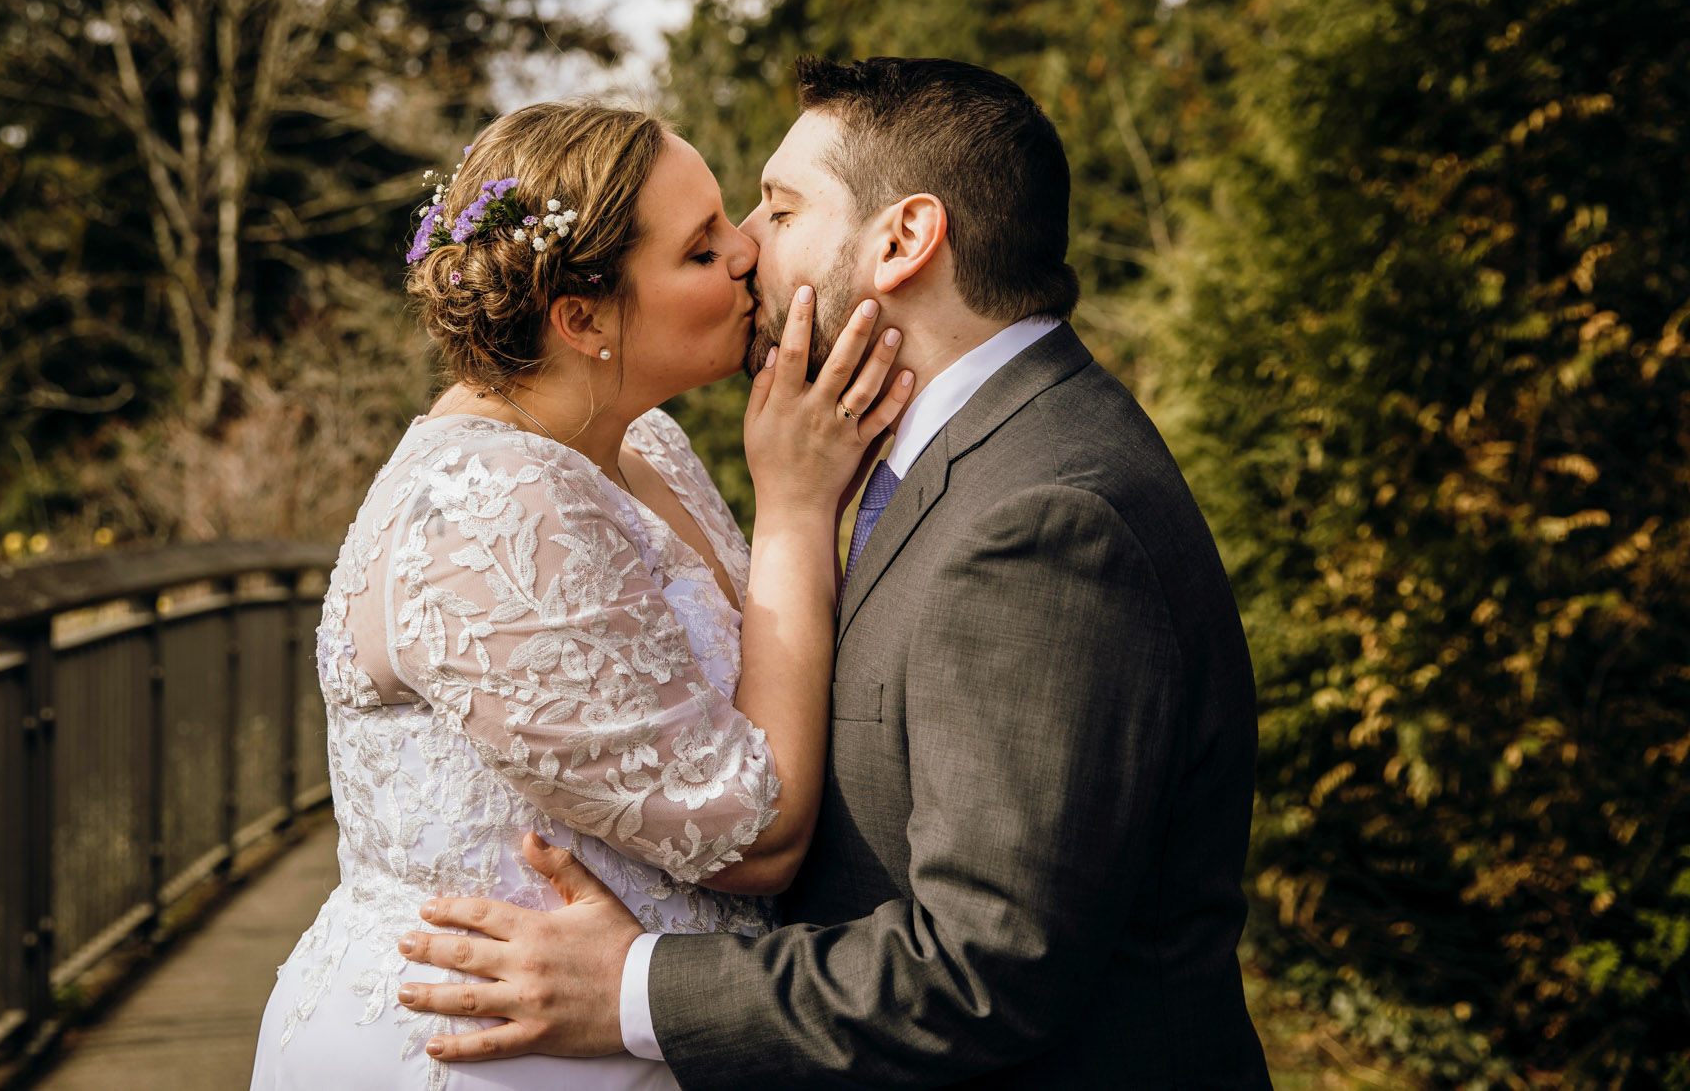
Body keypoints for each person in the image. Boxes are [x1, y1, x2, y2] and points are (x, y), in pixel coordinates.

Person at [395, 57, 1274, 1089]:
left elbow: (981, 967)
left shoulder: (1042, 516)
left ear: (902, 240)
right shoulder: (954, 452)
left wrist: (633, 988)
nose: (744, 249)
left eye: (776, 207)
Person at [248, 100, 914, 1090]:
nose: (746, 253)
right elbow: (753, 833)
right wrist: (792, 504)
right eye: (699, 249)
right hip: (490, 1055)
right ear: (583, 317)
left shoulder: (644, 447)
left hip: (640, 1034)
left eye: (730, 220)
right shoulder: (488, 507)